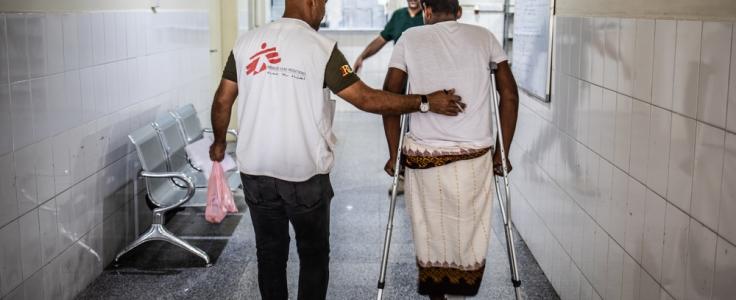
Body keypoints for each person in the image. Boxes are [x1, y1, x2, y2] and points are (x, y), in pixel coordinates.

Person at [208, 0, 466, 299]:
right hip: (303, 175)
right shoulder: (321, 47)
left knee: (269, 253)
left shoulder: (246, 42)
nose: (325, 12)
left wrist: (218, 143)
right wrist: (424, 102)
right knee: (313, 255)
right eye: (325, 4)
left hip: (255, 172)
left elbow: (222, 101)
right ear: (312, 2)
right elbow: (365, 99)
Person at [381, 0, 519, 299]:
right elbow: (508, 95)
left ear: (427, 12)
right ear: (459, 12)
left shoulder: (410, 38)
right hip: (474, 160)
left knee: (432, 235)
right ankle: (462, 289)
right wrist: (502, 153)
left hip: (423, 160)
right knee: (466, 233)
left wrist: (394, 155)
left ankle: (437, 294)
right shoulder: (484, 38)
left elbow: (389, 96)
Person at [353, 0, 424, 73]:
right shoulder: (398, 15)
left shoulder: (428, 15)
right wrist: (362, 56)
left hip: (421, 69)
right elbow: (381, 39)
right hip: (400, 69)